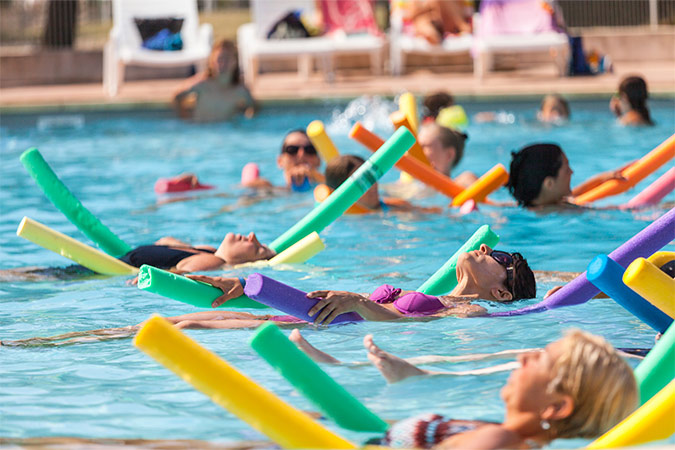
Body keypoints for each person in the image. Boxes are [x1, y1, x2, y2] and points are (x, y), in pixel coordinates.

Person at [1, 245, 536, 344]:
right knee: (182, 319)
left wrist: (357, 302)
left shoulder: (465, 307)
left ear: (504, 292)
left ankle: (53, 342)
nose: (488, 249)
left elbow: (409, 326)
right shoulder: (430, 291)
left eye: (501, 258)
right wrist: (250, 291)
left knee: (181, 328)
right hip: (317, 322)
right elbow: (337, 303)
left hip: (334, 333)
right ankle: (61, 338)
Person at [295, 330, 638, 449]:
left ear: (556, 408)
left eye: (540, 359)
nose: (523, 356)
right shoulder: (500, 435)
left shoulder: (500, 441)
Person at [0, 232, 275, 282]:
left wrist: (149, 277)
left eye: (258, 247)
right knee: (41, 271)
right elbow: (167, 242)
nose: (252, 236)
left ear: (246, 262)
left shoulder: (214, 262)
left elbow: (181, 274)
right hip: (117, 258)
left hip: (105, 270)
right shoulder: (207, 251)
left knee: (42, 275)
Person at [506, 143, 627, 208]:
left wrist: (600, 179)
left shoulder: (521, 205)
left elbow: (573, 194)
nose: (571, 172)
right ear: (549, 183)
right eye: (566, 167)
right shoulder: (563, 211)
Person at [324, 154, 441, 213]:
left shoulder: (397, 208)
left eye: (371, 177)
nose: (372, 185)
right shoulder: (335, 219)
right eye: (361, 182)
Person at [173, 40, 255, 122]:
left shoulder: (240, 90)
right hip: (201, 131)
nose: (223, 64)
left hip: (226, 132)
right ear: (212, 63)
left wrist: (245, 121)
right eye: (219, 59)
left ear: (234, 62)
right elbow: (177, 96)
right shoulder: (202, 84)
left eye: (227, 59)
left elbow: (253, 107)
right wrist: (185, 119)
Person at [416, 123, 477, 187]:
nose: (416, 151)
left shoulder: (462, 183)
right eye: (417, 146)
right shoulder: (410, 186)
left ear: (449, 155)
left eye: (424, 147)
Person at [405, 0, 472, 45]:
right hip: (426, 18)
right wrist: (428, 4)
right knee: (422, 23)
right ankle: (432, 35)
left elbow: (459, 7)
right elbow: (412, 14)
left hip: (447, 19)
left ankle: (460, 24)